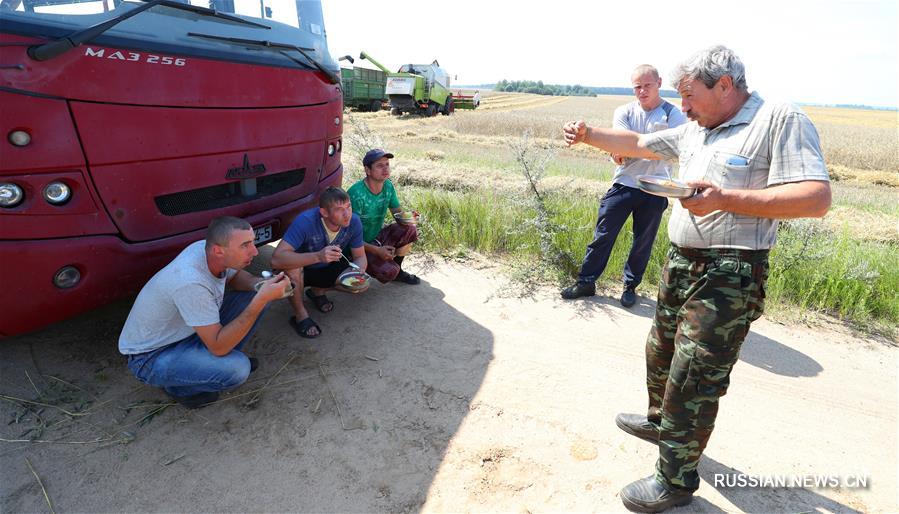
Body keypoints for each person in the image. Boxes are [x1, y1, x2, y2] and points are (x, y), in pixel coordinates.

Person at [562, 45, 831, 512]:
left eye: (689, 96)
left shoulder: (778, 120)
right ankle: (660, 422)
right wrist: (589, 136)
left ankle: (676, 480)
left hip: (731, 270)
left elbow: (815, 198)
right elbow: (639, 145)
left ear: (724, 85)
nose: (681, 106)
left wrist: (725, 198)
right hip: (682, 260)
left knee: (693, 376)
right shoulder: (695, 130)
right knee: (661, 351)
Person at [119, 216, 289, 409]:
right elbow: (217, 346)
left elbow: (236, 279)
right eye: (245, 245)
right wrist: (261, 299)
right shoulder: (190, 282)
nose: (255, 251)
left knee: (255, 295)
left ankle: (210, 363)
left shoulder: (207, 249)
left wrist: (260, 285)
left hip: (186, 332)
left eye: (252, 242)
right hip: (151, 356)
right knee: (238, 369)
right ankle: (179, 389)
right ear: (218, 250)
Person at [561, 65, 687, 307]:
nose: (642, 91)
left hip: (656, 187)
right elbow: (618, 146)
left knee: (643, 242)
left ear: (659, 83)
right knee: (603, 234)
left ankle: (630, 286)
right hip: (624, 183)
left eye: (647, 85)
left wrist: (629, 149)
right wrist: (616, 153)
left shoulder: (673, 114)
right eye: (637, 87)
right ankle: (586, 281)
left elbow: (671, 150)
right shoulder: (624, 111)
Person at [271, 187, 367, 339]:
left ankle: (318, 291)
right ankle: (300, 316)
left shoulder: (354, 221)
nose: (347, 213)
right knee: (293, 269)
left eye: (348, 206)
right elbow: (276, 259)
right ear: (324, 212)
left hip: (326, 267)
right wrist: (318, 256)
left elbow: (360, 256)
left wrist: (357, 274)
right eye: (339, 209)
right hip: (301, 270)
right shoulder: (306, 221)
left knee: (359, 286)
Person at [347, 149, 420, 285]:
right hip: (357, 246)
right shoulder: (356, 194)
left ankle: (399, 271)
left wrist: (409, 218)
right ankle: (354, 267)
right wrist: (377, 251)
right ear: (367, 170)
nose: (385, 169)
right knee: (389, 272)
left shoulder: (388, 186)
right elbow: (348, 236)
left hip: (377, 237)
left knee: (410, 228)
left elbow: (398, 215)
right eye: (380, 166)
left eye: (387, 164)